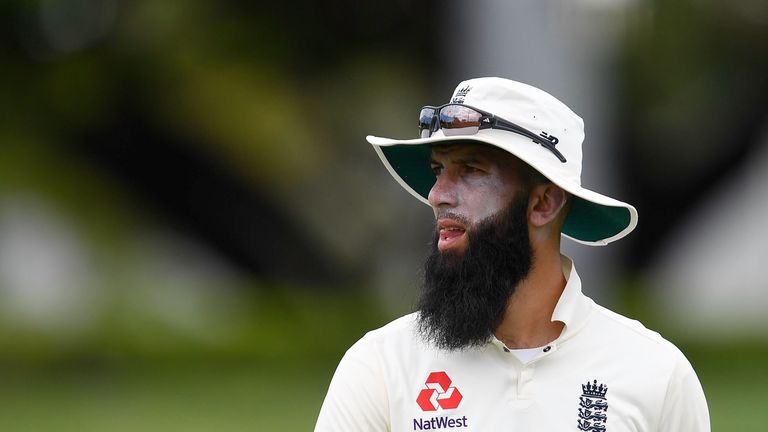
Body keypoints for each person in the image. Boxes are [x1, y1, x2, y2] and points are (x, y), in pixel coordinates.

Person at [315, 77, 709, 431]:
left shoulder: (657, 373)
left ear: (543, 203)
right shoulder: (381, 366)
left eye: (471, 170)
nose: (437, 195)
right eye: (438, 170)